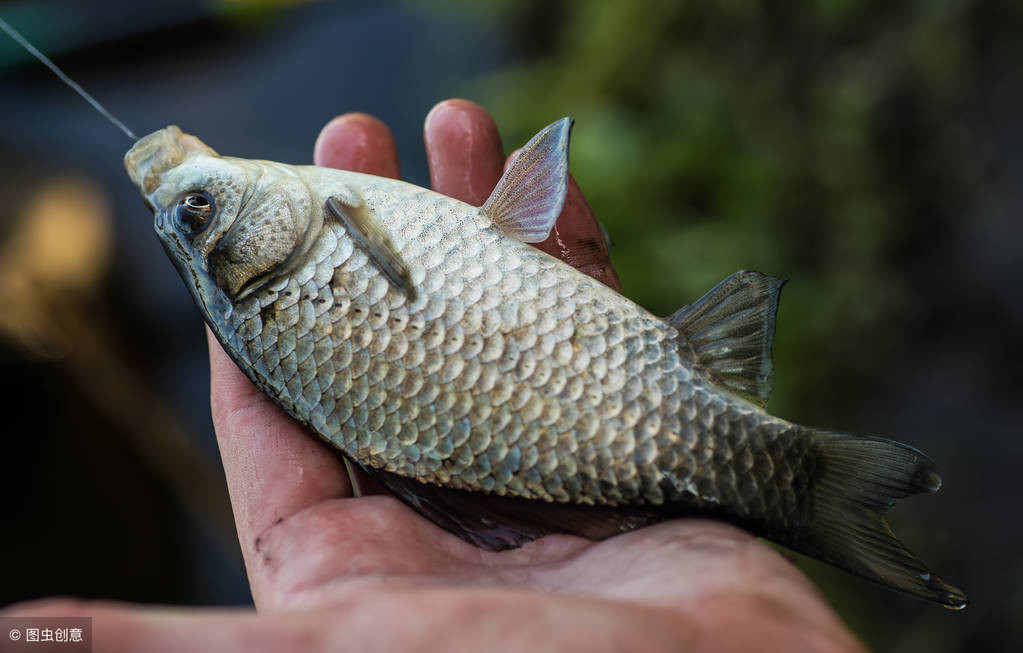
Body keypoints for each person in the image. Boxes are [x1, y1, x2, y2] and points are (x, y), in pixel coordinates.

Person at [3, 100, 864, 652]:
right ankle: (799, 484)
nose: (198, 197)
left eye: (194, 212)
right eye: (200, 216)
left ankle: (789, 483)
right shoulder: (312, 234)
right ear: (245, 261)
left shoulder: (301, 242)